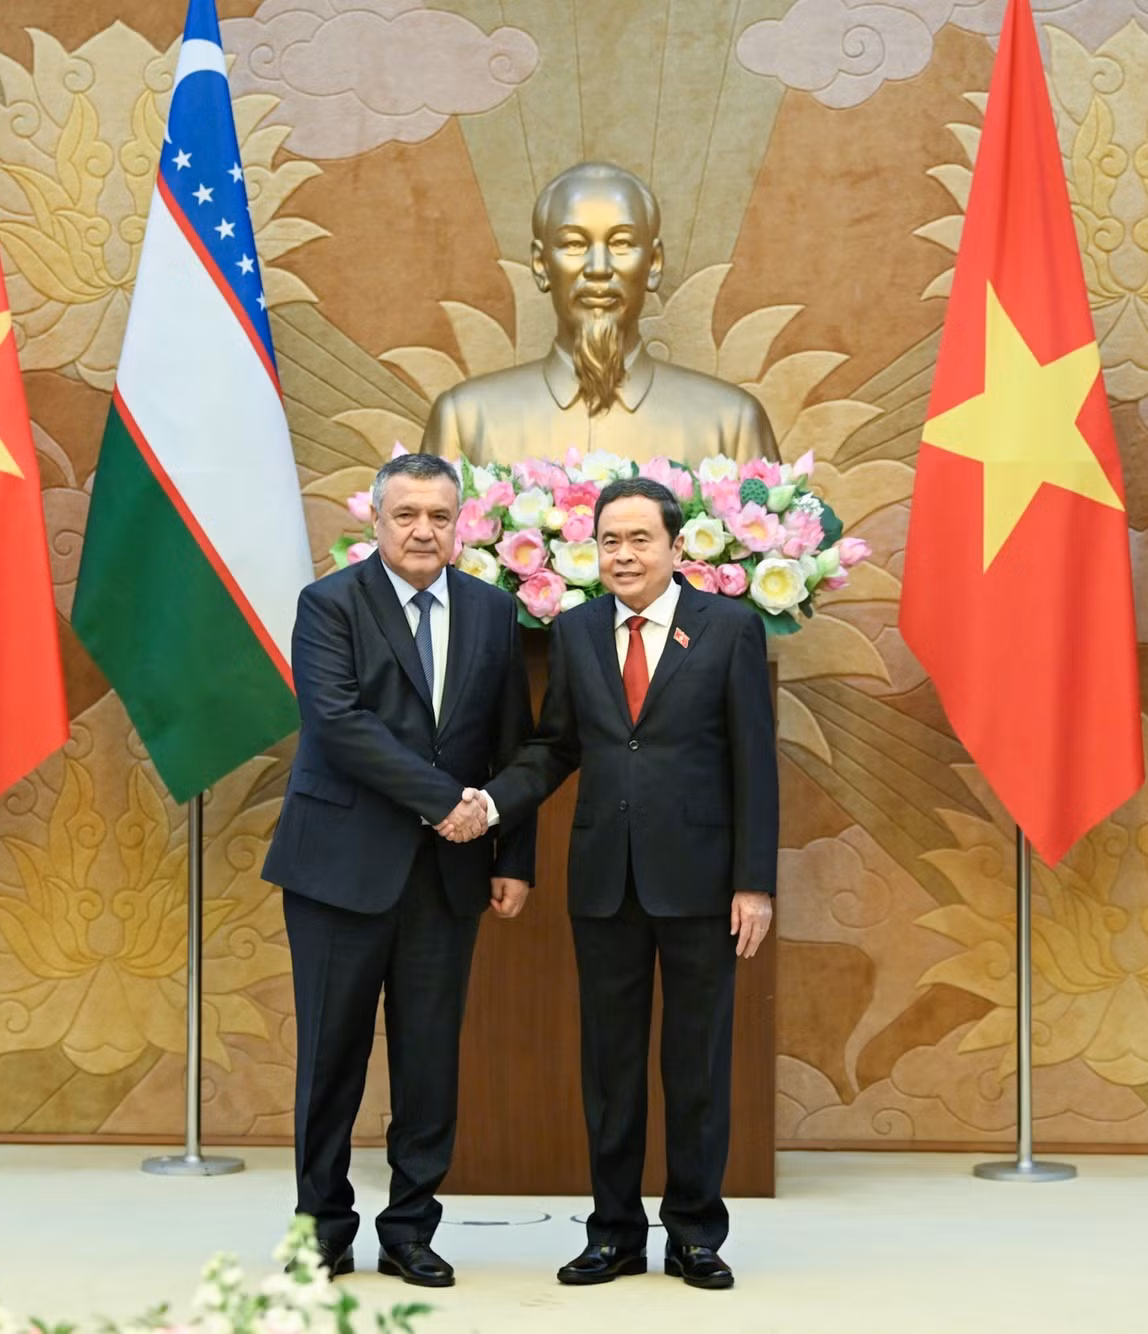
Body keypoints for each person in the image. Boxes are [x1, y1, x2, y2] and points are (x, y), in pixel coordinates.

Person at [477, 476, 778, 1290]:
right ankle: (613, 1232)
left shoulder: (729, 628)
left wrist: (753, 882)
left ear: (677, 548)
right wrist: (492, 803)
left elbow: (755, 761)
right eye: (609, 540)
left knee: (697, 1063)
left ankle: (695, 1234)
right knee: (611, 1068)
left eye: (641, 539)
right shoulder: (576, 631)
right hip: (605, 879)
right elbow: (556, 746)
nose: (623, 554)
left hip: (702, 883)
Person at [260, 453, 534, 1288]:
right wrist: (446, 802)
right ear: (376, 521)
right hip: (338, 871)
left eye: (439, 516)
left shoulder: (493, 611)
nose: (422, 531)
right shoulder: (329, 604)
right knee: (330, 1058)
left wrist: (513, 855)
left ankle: (411, 1229)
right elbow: (338, 723)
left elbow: (511, 741)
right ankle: (321, 1228)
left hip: (447, 878)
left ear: (461, 526)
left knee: (428, 1062)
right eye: (406, 514)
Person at [420, 161, 777, 466]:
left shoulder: (732, 424)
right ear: (541, 265)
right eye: (574, 244)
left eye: (621, 243)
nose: (598, 268)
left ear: (653, 263)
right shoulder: (465, 421)